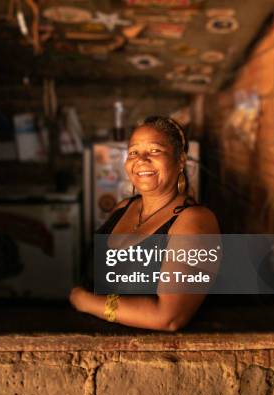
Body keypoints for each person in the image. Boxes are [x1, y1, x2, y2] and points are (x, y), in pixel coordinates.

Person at [69, 115, 220, 331]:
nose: (141, 159)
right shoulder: (122, 208)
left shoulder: (195, 221)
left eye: (155, 150)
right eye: (133, 152)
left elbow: (168, 317)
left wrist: (84, 301)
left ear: (180, 160)